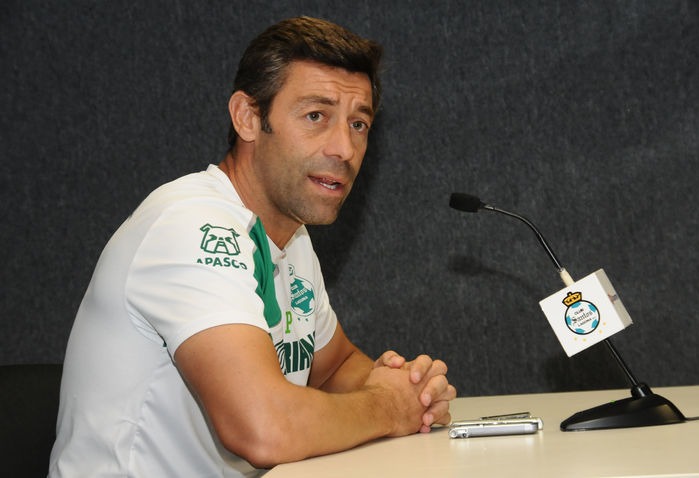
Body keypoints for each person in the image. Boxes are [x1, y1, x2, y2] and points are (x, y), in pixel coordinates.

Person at [49, 16, 455, 477]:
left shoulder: (291, 237)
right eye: (316, 116)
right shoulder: (191, 225)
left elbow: (334, 366)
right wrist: (388, 406)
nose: (344, 148)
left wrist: (411, 389)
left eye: (359, 124)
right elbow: (263, 429)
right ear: (247, 117)